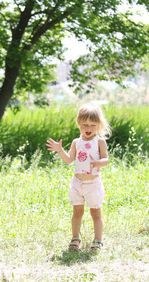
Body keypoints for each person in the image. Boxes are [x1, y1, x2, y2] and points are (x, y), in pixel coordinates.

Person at [46, 103, 111, 251]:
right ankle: (75, 238)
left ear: (99, 125)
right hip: (77, 184)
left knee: (95, 212)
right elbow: (69, 160)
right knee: (77, 212)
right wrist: (60, 150)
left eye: (93, 125)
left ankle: (98, 240)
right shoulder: (77, 142)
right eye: (85, 124)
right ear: (78, 123)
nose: (88, 128)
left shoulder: (99, 141)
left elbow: (106, 160)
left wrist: (98, 163)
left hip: (92, 184)